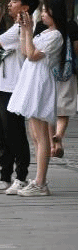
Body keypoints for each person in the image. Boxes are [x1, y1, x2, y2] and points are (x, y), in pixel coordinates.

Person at [6, 0, 67, 196]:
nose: (42, 14)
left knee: (41, 137)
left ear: (54, 13)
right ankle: (38, 179)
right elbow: (25, 51)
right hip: (32, 80)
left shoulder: (57, 35)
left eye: (45, 11)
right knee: (35, 135)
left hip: (40, 83)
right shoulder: (45, 33)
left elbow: (32, 55)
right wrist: (25, 30)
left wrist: (29, 29)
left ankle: (41, 183)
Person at [0, 0, 40, 195]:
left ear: (25, 6)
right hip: (1, 85)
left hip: (12, 87)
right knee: (3, 136)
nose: (9, 4)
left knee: (15, 134)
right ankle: (5, 177)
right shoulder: (15, 27)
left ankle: (21, 177)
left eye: (14, 1)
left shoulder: (21, 28)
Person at [51, 18, 77, 158]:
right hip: (68, 73)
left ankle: (53, 145)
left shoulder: (44, 25)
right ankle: (59, 136)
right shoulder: (71, 25)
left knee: (48, 111)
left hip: (48, 73)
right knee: (63, 110)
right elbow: (77, 48)